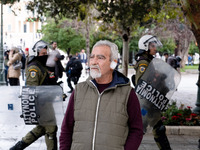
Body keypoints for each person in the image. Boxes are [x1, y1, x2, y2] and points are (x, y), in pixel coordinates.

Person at [60, 40, 143, 150]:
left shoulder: (128, 94)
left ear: (113, 63)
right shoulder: (79, 90)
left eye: (100, 58)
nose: (94, 62)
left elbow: (136, 130)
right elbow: (66, 129)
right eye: (92, 57)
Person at [10, 40, 58, 150]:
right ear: (36, 54)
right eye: (43, 54)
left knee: (41, 129)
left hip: (47, 103)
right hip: (41, 105)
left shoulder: (42, 66)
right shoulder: (34, 68)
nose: (45, 56)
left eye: (46, 54)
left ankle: (16, 148)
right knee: (51, 129)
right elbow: (32, 90)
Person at [134, 35, 172, 150]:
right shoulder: (144, 63)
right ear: (145, 46)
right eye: (152, 45)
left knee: (148, 129)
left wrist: (161, 77)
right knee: (148, 129)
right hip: (147, 102)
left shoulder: (149, 60)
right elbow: (141, 83)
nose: (155, 48)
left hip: (150, 102)